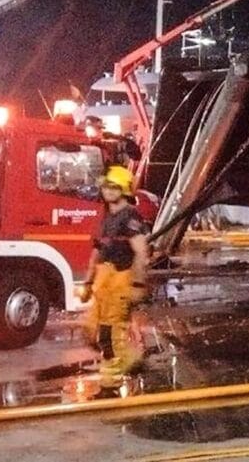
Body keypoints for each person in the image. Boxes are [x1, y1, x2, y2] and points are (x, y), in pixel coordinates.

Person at [78, 165, 150, 388]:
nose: (108, 191)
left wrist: (137, 284)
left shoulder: (131, 217)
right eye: (106, 187)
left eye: (113, 187)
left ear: (124, 189)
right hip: (103, 280)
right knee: (91, 330)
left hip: (120, 278)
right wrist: (89, 282)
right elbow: (97, 251)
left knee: (109, 332)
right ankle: (131, 360)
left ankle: (112, 378)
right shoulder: (108, 217)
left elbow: (141, 252)